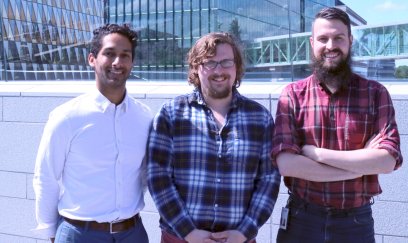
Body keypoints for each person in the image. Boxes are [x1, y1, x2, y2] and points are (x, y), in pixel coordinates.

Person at [272, 7, 403, 243]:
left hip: (355, 223)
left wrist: (316, 153)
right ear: (312, 43)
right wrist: (361, 164)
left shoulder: (375, 93)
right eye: (323, 39)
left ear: (350, 41)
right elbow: (286, 164)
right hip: (301, 220)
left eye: (338, 38)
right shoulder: (292, 95)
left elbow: (386, 161)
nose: (330, 45)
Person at [146, 32, 280, 243]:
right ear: (196, 68)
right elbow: (158, 176)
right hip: (181, 238)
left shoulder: (260, 118)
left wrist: (244, 232)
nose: (219, 70)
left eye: (226, 62)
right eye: (209, 63)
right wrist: (188, 232)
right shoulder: (171, 114)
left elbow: (268, 181)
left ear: (237, 67)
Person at [33, 23, 152, 243]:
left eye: (125, 55)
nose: (118, 62)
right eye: (109, 53)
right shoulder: (67, 117)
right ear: (92, 59)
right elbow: (46, 177)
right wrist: (50, 232)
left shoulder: (144, 117)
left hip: (132, 233)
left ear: (132, 62)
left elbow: (144, 175)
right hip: (80, 234)